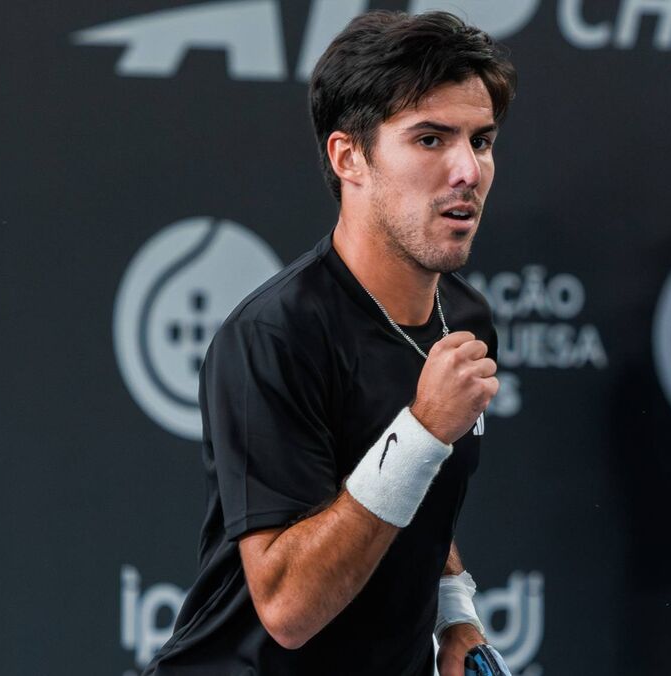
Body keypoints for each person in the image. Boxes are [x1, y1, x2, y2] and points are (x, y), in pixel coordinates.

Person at [142, 11, 516, 676]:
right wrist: (424, 430)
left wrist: (454, 613)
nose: (468, 170)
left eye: (480, 141)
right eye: (430, 139)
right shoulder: (273, 337)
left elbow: (418, 500)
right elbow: (287, 608)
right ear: (349, 158)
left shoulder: (465, 318)